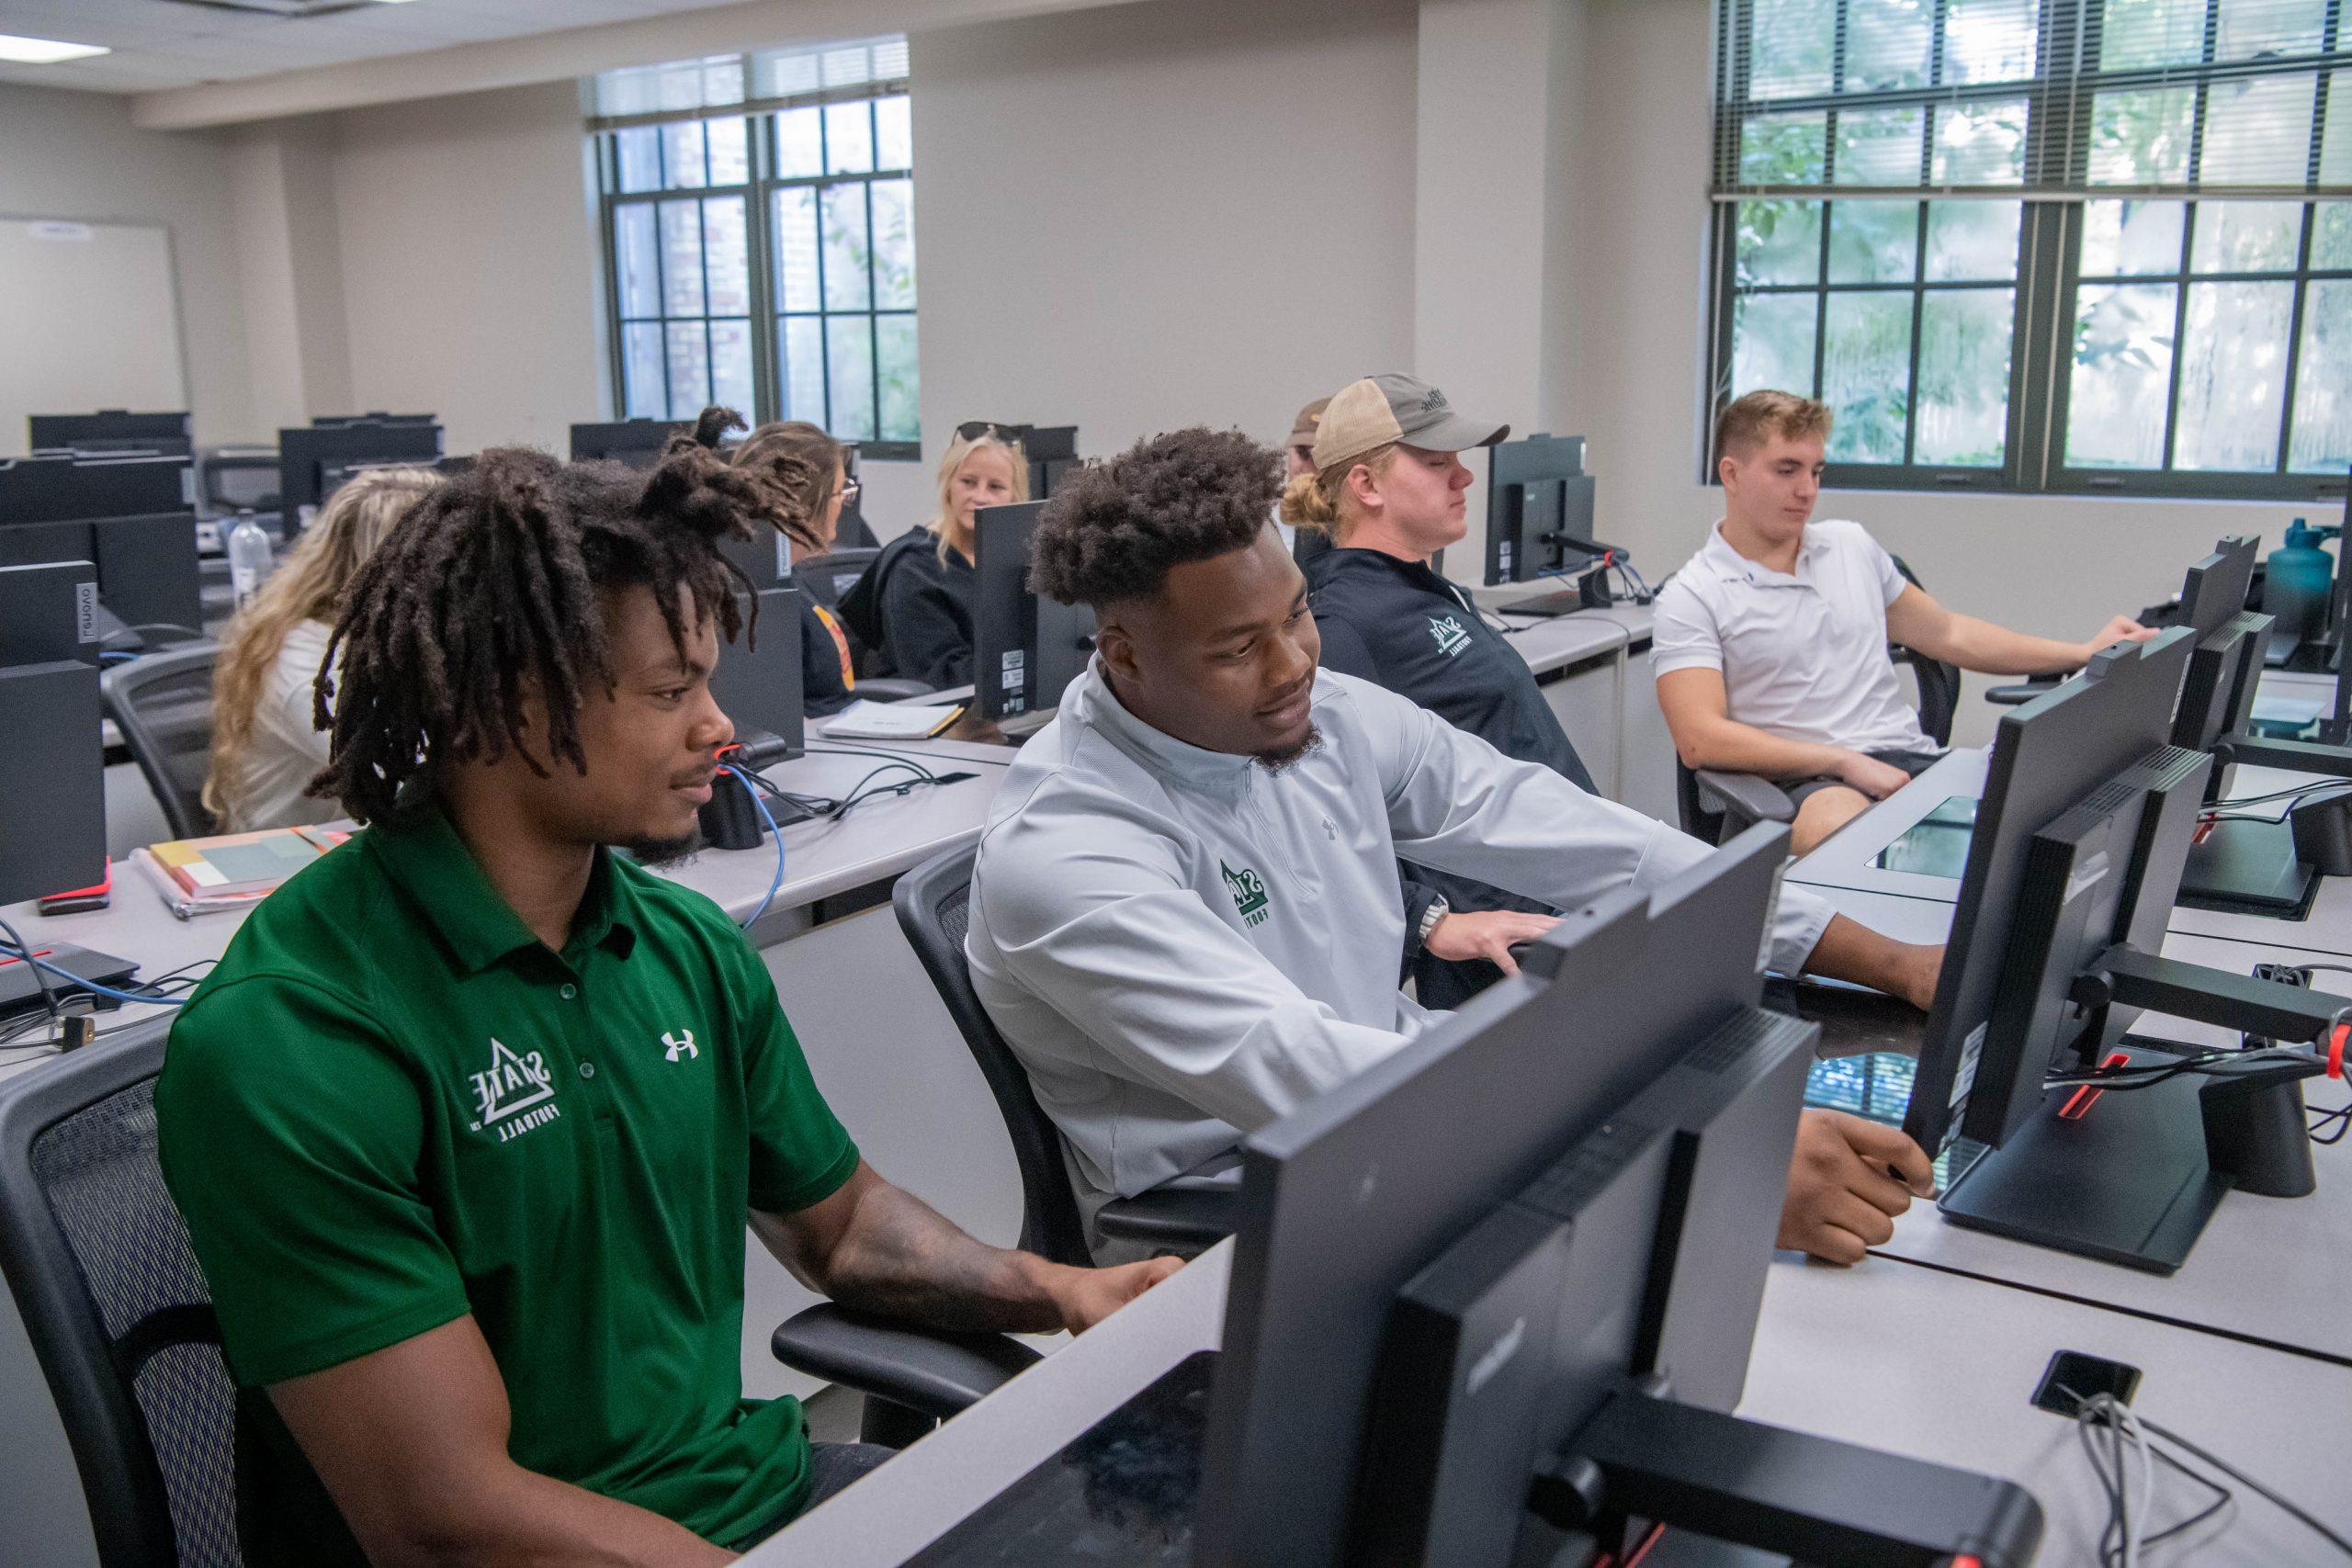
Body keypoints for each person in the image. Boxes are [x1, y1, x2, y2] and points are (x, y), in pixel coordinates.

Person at [154, 448, 1177, 1567]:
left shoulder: (679, 943)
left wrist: (1066, 1288)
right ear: (505, 701)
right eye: (669, 691)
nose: (720, 727)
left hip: (749, 1497)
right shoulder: (293, 1038)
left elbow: (841, 1230)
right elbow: (442, 1519)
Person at [964, 426, 1943, 1270]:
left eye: (1297, 614)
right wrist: (1700, 1158)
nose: (1295, 662)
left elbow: (1585, 840)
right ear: (1122, 653)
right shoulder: (1069, 850)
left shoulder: (1324, 716)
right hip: (1232, 1224)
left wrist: (1883, 958)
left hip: (1410, 1118)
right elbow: (1308, 1067)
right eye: (1236, 649)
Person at [1656, 389, 2155, 854]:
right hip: (1803, 781)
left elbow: (1949, 634)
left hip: (1904, 757)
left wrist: (2082, 652)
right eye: (1786, 470)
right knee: (1845, 829)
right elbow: (1701, 738)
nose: (1806, 490)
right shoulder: (1694, 593)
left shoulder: (1849, 545)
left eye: (1816, 470)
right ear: (1731, 473)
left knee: (2056, 795)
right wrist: (1841, 761)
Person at [1288, 373, 1602, 1008]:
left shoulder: (1425, 589)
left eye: (1458, 460)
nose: (1465, 477)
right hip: (1511, 956)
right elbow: (1319, 814)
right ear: (1366, 485)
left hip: (1571, 907)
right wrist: (1429, 921)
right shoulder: (1346, 628)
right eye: (1435, 463)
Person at [201, 466, 442, 831]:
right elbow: (405, 776)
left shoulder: (405, 640)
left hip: (365, 846)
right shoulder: (302, 661)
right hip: (288, 869)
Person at [692, 405, 863, 716]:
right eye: (841, 493)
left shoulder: (786, 578)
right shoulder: (756, 594)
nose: (845, 505)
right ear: (811, 501)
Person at [866, 425, 1028, 687]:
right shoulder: (914, 568)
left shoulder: (1017, 565)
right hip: (943, 713)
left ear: (1015, 497)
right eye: (968, 482)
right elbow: (939, 677)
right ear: (949, 487)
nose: (980, 496)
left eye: (995, 487)